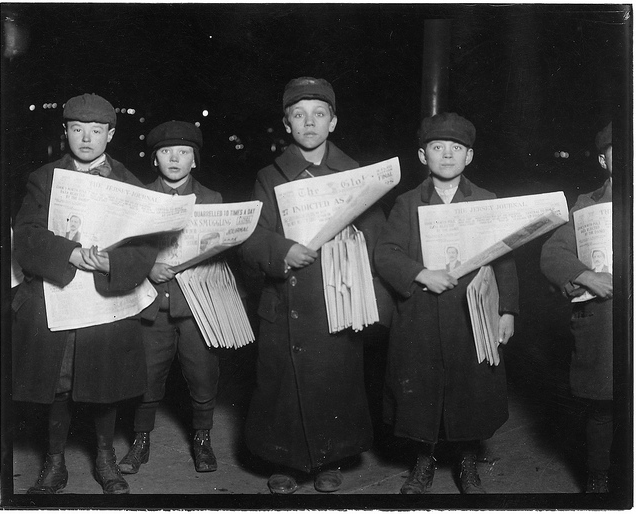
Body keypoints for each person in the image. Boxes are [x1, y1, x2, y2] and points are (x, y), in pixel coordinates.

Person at [238, 77, 385, 494]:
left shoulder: (356, 174)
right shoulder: (269, 176)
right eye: (298, 115)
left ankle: (330, 458)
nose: (309, 123)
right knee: (280, 385)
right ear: (287, 124)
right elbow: (251, 237)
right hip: (283, 299)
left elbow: (376, 235)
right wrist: (282, 251)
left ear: (333, 122)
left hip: (336, 298)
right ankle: (283, 460)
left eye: (319, 115)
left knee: (333, 380)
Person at [12, 93, 159, 494]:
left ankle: (105, 458)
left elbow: (146, 243)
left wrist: (114, 264)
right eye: (77, 129)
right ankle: (55, 461)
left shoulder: (127, 182)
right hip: (58, 293)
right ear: (65, 132)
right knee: (60, 380)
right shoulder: (45, 177)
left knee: (103, 381)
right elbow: (24, 237)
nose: (86, 138)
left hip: (104, 298)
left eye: (96, 131)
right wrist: (70, 252)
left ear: (110, 134)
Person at [374, 112, 519, 494]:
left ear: (469, 157)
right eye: (438, 148)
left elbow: (504, 257)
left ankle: (468, 465)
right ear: (423, 156)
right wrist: (421, 273)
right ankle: (422, 463)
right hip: (420, 315)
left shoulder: (486, 201)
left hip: (472, 318)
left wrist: (507, 311)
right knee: (420, 393)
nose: (448, 155)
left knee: (471, 392)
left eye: (457, 148)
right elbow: (386, 253)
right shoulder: (406, 204)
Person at [118, 121, 222, 475]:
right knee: (147, 375)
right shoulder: (141, 198)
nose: (174, 159)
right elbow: (126, 249)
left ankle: (203, 439)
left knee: (202, 373)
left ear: (195, 161)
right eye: (166, 152)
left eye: (183, 153)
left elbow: (220, 253)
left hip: (197, 306)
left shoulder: (212, 199)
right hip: (153, 305)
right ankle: (140, 439)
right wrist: (149, 266)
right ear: (154, 159)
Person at [540, 121, 613, 493]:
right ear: (603, 160)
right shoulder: (586, 206)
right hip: (603, 324)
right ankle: (598, 476)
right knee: (603, 405)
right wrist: (586, 276)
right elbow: (553, 252)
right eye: (618, 150)